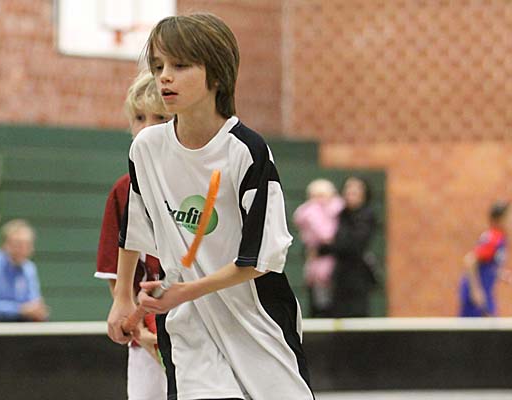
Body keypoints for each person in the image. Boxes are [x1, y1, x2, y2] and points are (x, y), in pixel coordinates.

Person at [107, 13, 314, 400]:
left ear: (216, 75)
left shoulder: (246, 151)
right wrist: (122, 298)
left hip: (255, 319)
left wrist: (187, 291)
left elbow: (260, 259)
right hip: (188, 326)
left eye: (180, 65)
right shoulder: (146, 150)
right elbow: (134, 228)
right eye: (158, 66)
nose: (164, 77)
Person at [95, 70, 171, 400]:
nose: (147, 128)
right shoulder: (123, 191)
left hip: (198, 329)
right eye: (139, 118)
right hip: (147, 335)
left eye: (160, 118)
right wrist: (138, 327)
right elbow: (116, 274)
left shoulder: (201, 182)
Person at [318, 176, 378, 318]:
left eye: (356, 189)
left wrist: (327, 248)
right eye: (348, 188)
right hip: (335, 277)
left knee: (355, 315)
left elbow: (353, 245)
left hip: (356, 278)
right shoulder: (339, 214)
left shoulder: (366, 215)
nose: (351, 192)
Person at [0, 219, 49, 322]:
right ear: (5, 244)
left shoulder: (29, 268)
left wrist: (37, 309)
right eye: (18, 244)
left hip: (22, 322)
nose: (23, 250)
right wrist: (20, 309)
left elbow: (33, 300)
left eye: (27, 245)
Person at [293, 179, 344, 317]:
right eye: (314, 196)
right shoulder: (309, 212)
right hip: (316, 266)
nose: (318, 200)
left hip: (338, 266)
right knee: (320, 303)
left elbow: (328, 236)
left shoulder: (339, 211)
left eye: (322, 195)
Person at [459, 201, 512, 317]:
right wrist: (475, 290)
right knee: (484, 325)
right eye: (508, 217)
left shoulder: (500, 238)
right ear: (499, 219)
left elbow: (488, 264)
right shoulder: (493, 238)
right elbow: (470, 261)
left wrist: (501, 274)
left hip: (486, 291)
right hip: (477, 294)